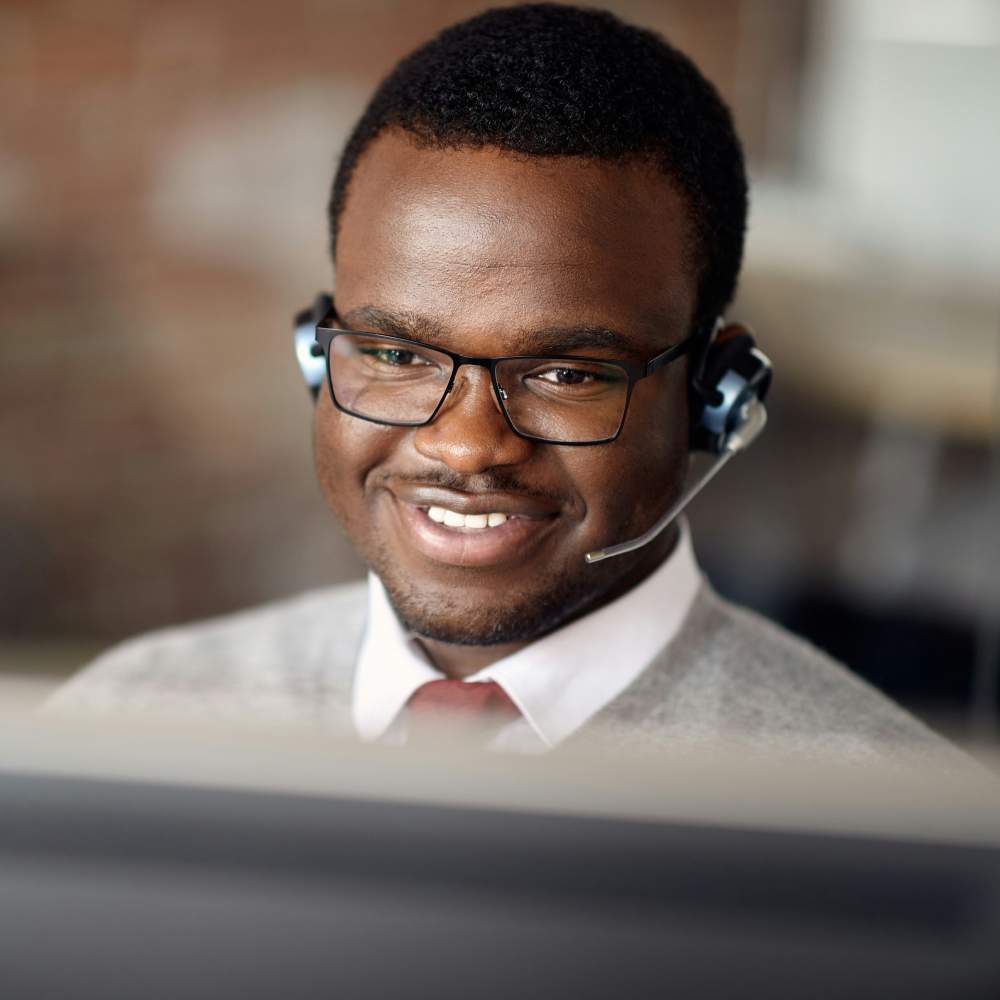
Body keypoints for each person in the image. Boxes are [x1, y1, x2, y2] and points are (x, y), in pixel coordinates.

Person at [48, 4, 962, 766]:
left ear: (716, 395)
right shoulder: (127, 726)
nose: (467, 446)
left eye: (567, 372)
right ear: (318, 358)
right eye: (398, 356)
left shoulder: (894, 819)